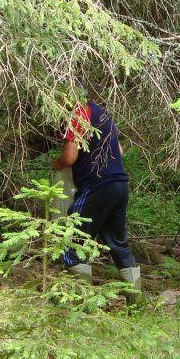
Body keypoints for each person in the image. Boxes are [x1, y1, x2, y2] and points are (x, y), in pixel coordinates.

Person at [52, 91, 141, 300]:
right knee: (119, 244)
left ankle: (83, 306)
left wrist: (58, 163)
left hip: (97, 186)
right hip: (120, 185)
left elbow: (70, 156)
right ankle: (136, 305)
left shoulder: (79, 113)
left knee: (72, 241)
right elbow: (119, 150)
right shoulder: (103, 114)